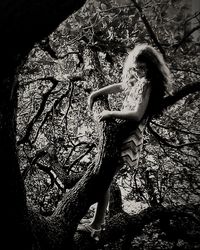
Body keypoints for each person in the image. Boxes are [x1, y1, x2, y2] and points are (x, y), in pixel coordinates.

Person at [77, 43, 172, 239]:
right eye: (136, 68)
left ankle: (96, 226)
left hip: (129, 139)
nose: (138, 72)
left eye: (142, 68)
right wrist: (96, 93)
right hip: (121, 136)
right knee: (103, 178)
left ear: (151, 67)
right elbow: (121, 86)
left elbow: (137, 115)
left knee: (104, 180)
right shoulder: (139, 80)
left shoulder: (148, 84)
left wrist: (110, 112)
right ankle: (97, 224)